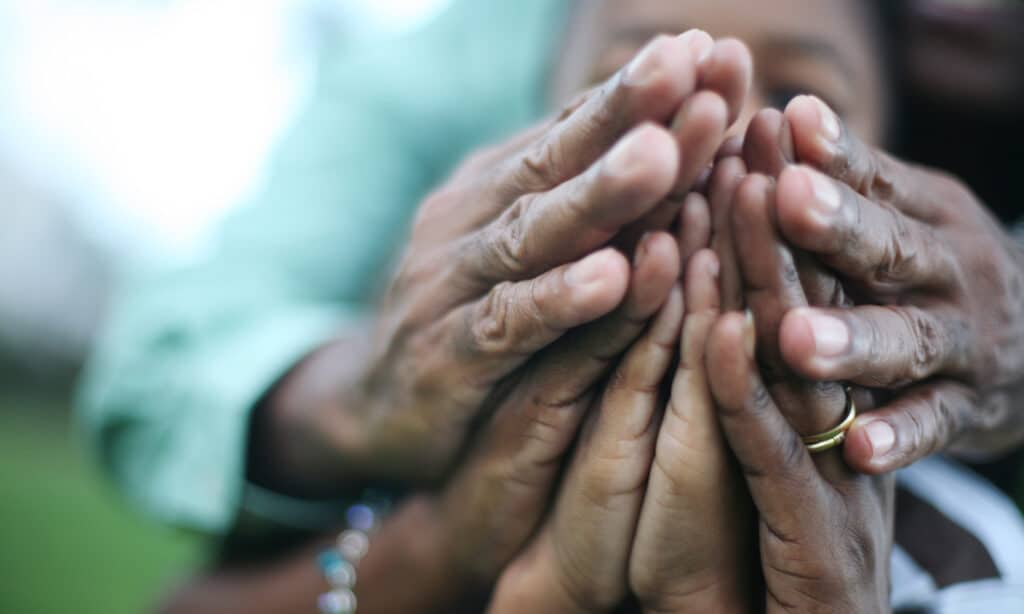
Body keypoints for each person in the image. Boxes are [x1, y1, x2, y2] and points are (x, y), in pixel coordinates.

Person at [77, 0, 1024, 611]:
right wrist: (432, 538)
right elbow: (166, 367)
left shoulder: (962, 558)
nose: (724, 133)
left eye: (800, 96)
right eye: (638, 93)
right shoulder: (444, 483)